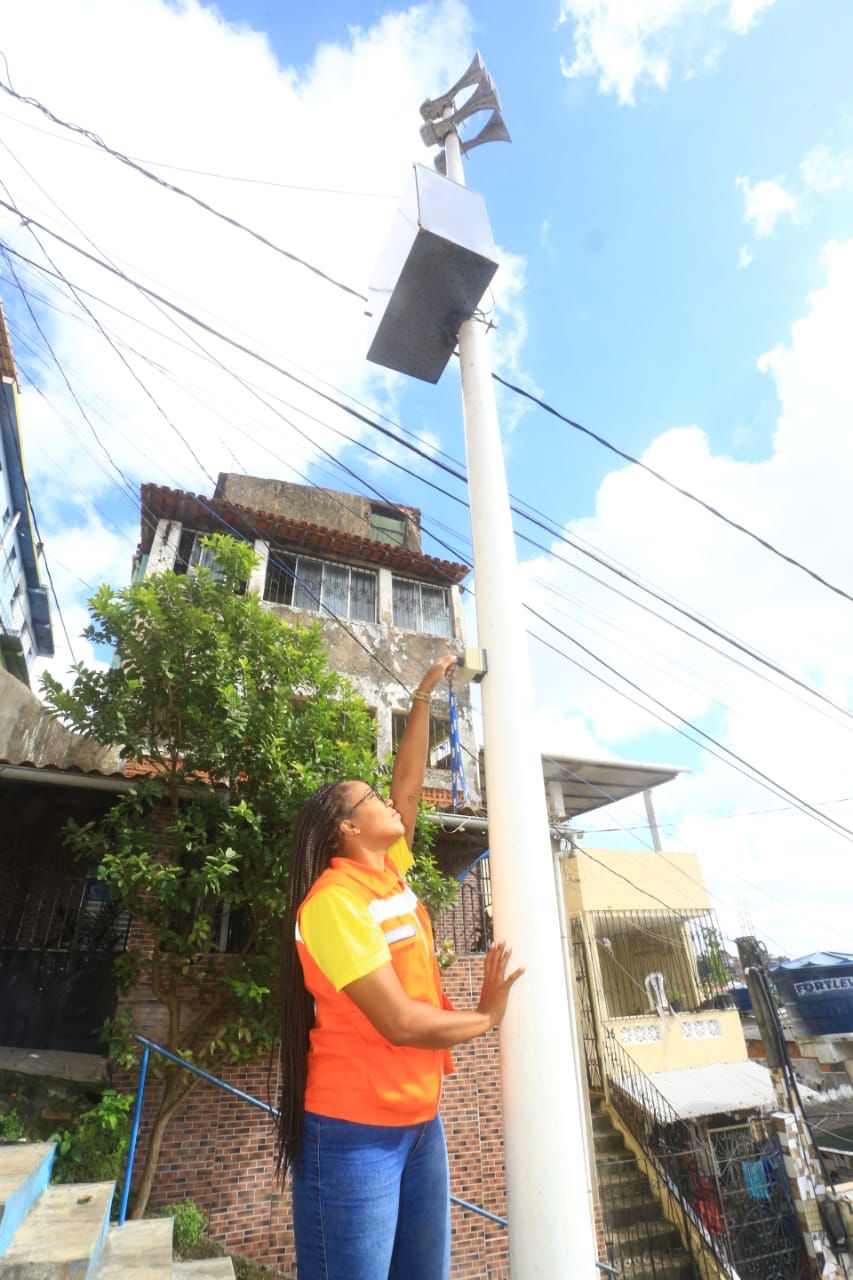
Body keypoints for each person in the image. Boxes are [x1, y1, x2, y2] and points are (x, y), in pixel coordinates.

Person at [276, 654, 523, 1280]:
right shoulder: (333, 905)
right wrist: (485, 1017)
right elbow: (398, 1021)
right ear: (347, 827)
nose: (390, 800)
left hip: (419, 1123)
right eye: (372, 799)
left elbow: (409, 781)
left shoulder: (385, 876)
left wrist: (421, 698)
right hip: (355, 1132)